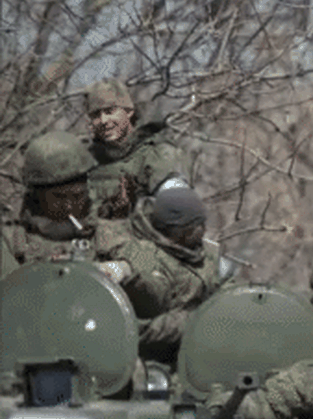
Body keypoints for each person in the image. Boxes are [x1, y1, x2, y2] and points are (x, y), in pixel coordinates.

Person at [96, 186, 221, 364]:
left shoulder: (211, 256)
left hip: (193, 355)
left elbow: (227, 308)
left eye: (202, 224)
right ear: (170, 229)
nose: (200, 231)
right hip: (140, 358)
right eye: (190, 228)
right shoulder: (135, 252)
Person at [2, 130, 122, 265]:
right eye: (58, 198)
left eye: (77, 196)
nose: (68, 206)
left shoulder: (109, 236)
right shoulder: (10, 243)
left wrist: (123, 268)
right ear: (37, 197)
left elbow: (144, 260)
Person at [83, 78, 189, 219]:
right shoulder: (86, 163)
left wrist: (134, 207)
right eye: (96, 115)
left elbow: (177, 212)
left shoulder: (158, 154)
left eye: (110, 112)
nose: (104, 121)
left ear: (128, 112)